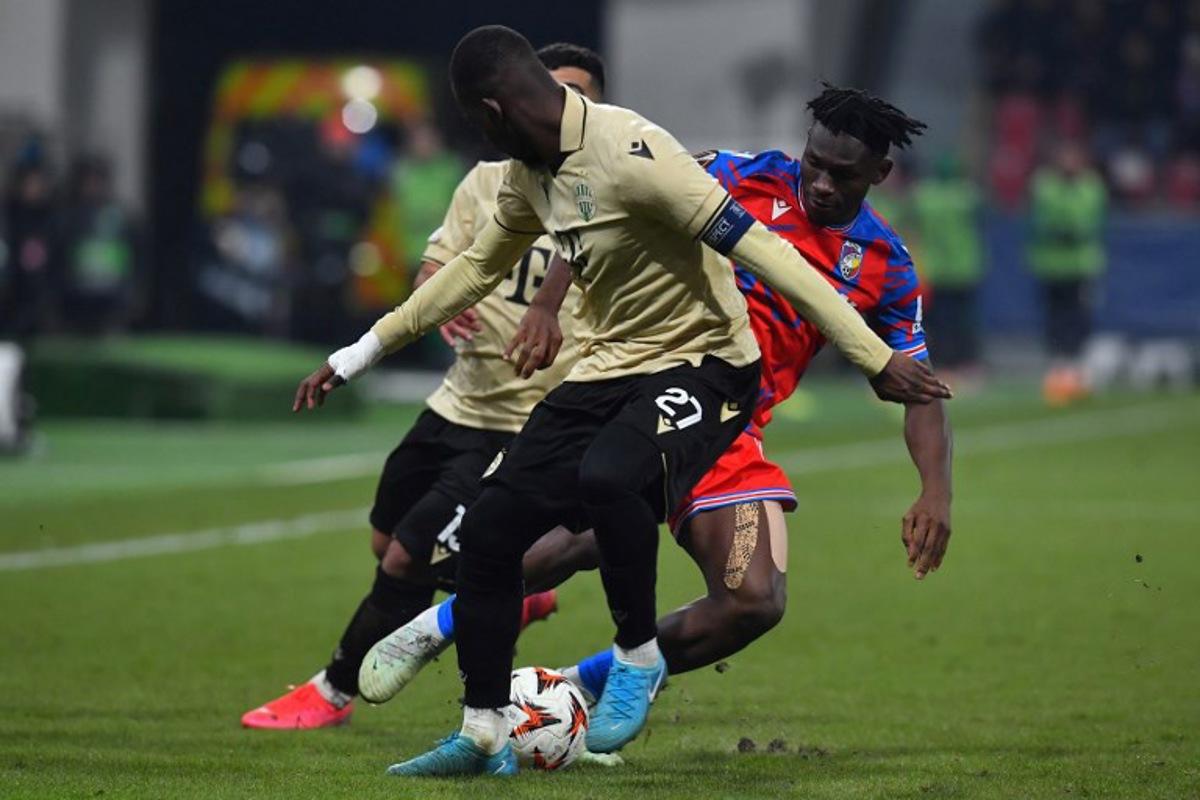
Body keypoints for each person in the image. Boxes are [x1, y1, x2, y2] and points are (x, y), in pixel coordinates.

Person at [295, 26, 948, 777]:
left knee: (751, 598)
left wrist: (935, 487)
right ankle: (459, 649)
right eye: (815, 164)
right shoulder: (728, 173)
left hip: (722, 406)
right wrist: (538, 306)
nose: (823, 184)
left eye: (843, 175)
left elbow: (915, 383)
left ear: (880, 174)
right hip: (636, 379)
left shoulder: (886, 265)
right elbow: (596, 217)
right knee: (545, 528)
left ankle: (578, 684)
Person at [241, 42, 607, 731]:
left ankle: (332, 691)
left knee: (409, 558)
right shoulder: (488, 182)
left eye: (578, 95)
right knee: (386, 544)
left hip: (525, 424)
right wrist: (436, 293)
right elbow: (437, 264)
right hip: (455, 402)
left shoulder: (610, 192)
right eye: (550, 91)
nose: (560, 107)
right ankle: (517, 590)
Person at [1026, 141, 1107, 405]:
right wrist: (1064, 226)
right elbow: (1044, 219)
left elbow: (1084, 221)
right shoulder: (1045, 184)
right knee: (1055, 317)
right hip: (1052, 265)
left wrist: (1065, 226)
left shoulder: (1091, 186)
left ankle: (1078, 368)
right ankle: (1058, 368)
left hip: (1081, 265)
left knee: (1079, 317)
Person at [912, 152, 985, 377]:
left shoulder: (924, 196)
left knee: (939, 323)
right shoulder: (966, 194)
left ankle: (943, 364)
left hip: (935, 268)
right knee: (964, 321)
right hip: (963, 267)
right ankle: (966, 363)